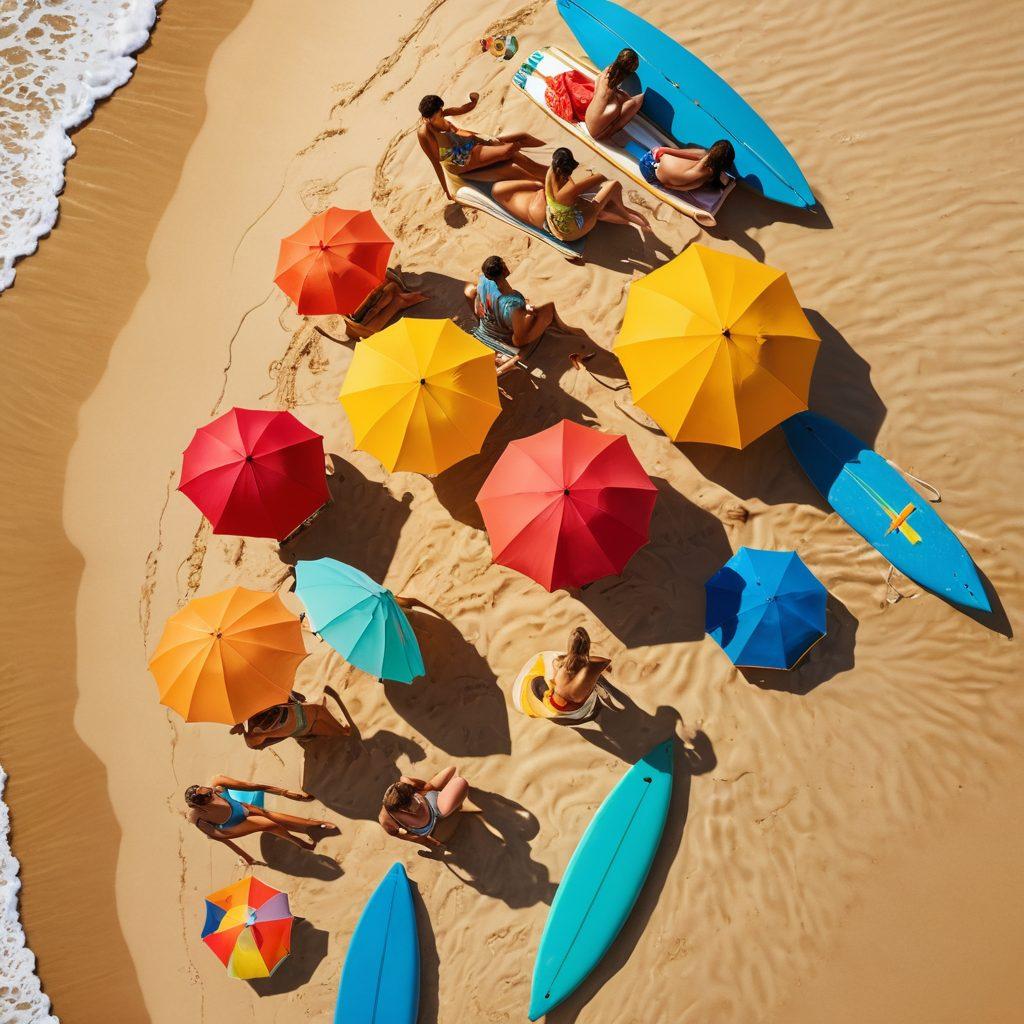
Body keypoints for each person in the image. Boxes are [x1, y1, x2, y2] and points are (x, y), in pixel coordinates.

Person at [491, 147, 650, 242]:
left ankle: (612, 214)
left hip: (556, 222)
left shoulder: (550, 173)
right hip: (572, 231)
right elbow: (601, 176)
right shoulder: (569, 189)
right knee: (613, 186)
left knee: (595, 206)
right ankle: (626, 214)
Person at [463, 255, 584, 371]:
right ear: (504, 270)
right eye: (504, 264)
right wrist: (529, 316)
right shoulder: (512, 302)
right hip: (502, 340)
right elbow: (519, 338)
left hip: (483, 330)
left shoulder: (483, 281)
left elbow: (471, 295)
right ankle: (565, 330)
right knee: (549, 308)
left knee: (469, 290)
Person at [417, 93, 546, 200]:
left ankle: (548, 154)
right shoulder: (425, 133)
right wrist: (447, 191)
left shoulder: (444, 113)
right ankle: (545, 177)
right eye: (427, 118)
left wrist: (474, 99)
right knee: (509, 150)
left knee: (520, 137)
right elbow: (436, 161)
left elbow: (465, 108)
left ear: (440, 109)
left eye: (432, 117)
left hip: (468, 142)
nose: (428, 120)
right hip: (457, 158)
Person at [185, 776, 339, 866]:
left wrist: (285, 793)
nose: (213, 793)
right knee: (269, 824)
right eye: (209, 796)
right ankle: (299, 841)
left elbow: (252, 786)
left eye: (210, 791)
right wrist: (246, 856)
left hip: (240, 807)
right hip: (232, 825)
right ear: (201, 804)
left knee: (270, 815)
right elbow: (221, 837)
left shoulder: (218, 784)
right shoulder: (200, 817)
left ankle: (312, 824)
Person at [512, 627, 611, 724]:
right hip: (577, 706)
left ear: (570, 645)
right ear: (587, 645)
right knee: (594, 694)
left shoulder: (558, 662)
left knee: (536, 682)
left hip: (555, 704)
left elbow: (555, 678)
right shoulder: (594, 666)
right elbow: (607, 662)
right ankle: (594, 713)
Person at [229, 686, 352, 750]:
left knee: (316, 717)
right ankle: (343, 731)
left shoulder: (252, 732)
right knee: (319, 708)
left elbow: (257, 744)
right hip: (299, 723)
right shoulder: (253, 731)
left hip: (297, 725)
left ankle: (306, 734)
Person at [378, 766, 470, 849]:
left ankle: (438, 790)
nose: (415, 802)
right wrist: (422, 840)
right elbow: (396, 834)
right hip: (436, 810)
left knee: (452, 770)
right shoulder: (385, 819)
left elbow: (423, 786)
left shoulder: (404, 784)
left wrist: (427, 788)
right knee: (460, 782)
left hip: (431, 800)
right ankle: (452, 800)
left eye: (412, 795)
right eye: (408, 804)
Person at [343, 270, 428, 341]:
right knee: (370, 315)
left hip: (362, 324)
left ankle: (397, 298)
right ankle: (397, 297)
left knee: (370, 320)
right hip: (362, 322)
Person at [585, 48, 645, 139]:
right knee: (636, 102)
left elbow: (610, 90)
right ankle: (608, 134)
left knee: (615, 104)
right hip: (597, 134)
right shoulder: (613, 95)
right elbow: (621, 98)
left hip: (587, 118)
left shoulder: (606, 72)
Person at [638, 140, 735, 193]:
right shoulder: (705, 175)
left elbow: (661, 150)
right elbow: (685, 187)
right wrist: (670, 186)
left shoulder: (701, 154)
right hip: (653, 178)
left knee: (700, 154)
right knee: (699, 161)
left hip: (648, 161)